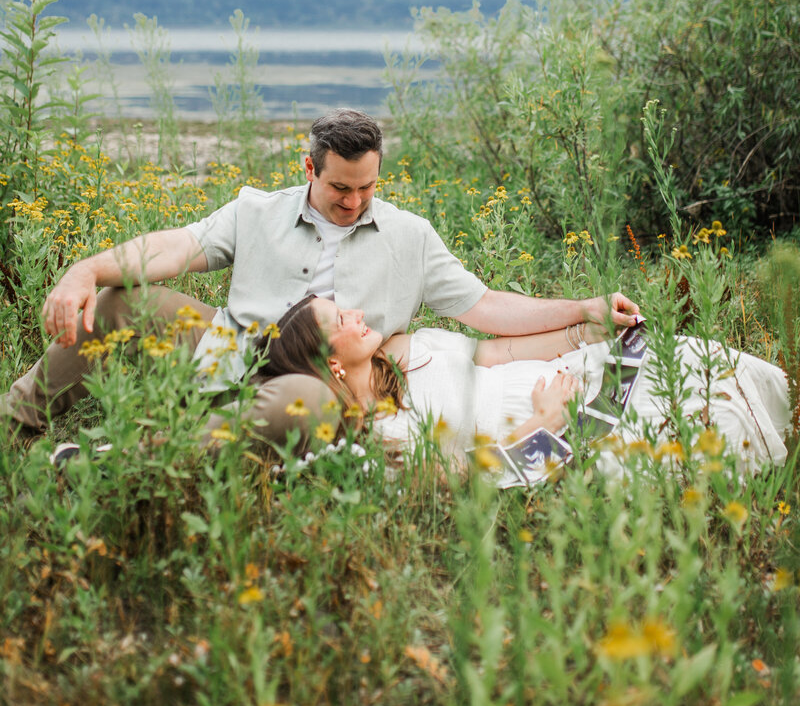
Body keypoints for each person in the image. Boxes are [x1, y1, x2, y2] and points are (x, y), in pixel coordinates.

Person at [1, 108, 638, 451]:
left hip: (324, 378)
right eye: (339, 187)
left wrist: (583, 308)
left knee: (299, 405)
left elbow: (487, 308)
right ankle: (15, 423)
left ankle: (154, 451)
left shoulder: (411, 237)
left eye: (367, 187)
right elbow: (176, 248)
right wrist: (85, 270)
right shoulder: (256, 209)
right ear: (308, 166)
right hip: (233, 347)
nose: (355, 201)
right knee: (121, 300)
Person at [253, 295, 792, 474]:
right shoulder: (378, 434)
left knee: (704, 361)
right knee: (709, 433)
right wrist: (546, 420)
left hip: (566, 377)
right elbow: (471, 477)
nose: (355, 313)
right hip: (550, 433)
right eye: (339, 320)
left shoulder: (401, 350)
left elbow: (494, 353)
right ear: (331, 364)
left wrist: (583, 331)